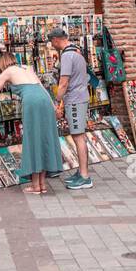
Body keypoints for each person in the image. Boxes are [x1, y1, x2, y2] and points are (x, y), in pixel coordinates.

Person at [0, 54, 62, 194]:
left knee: (32, 139)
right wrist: (54, 108)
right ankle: (42, 184)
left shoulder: (7, 71)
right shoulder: (27, 67)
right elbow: (43, 88)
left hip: (31, 101)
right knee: (45, 137)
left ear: (2, 64)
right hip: (45, 99)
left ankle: (35, 186)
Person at [50, 27, 92, 190]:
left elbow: (64, 82)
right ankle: (81, 172)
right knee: (78, 136)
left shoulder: (67, 55)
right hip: (80, 97)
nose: (52, 45)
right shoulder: (77, 50)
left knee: (78, 137)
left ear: (56, 40)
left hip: (75, 100)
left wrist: (57, 100)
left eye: (52, 42)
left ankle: (84, 177)